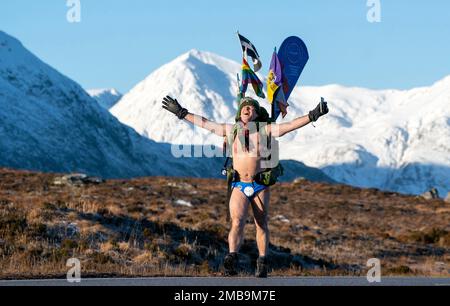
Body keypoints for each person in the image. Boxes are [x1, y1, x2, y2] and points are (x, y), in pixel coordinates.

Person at [162, 95, 329, 277]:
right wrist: (181, 112)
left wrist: (312, 115)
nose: (247, 109)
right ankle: (231, 259)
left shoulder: (266, 130)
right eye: (244, 107)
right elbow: (205, 123)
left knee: (261, 224)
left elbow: (288, 126)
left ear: (256, 114)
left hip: (260, 184)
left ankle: (263, 262)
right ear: (239, 112)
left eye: (251, 108)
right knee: (237, 222)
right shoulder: (231, 130)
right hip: (239, 183)